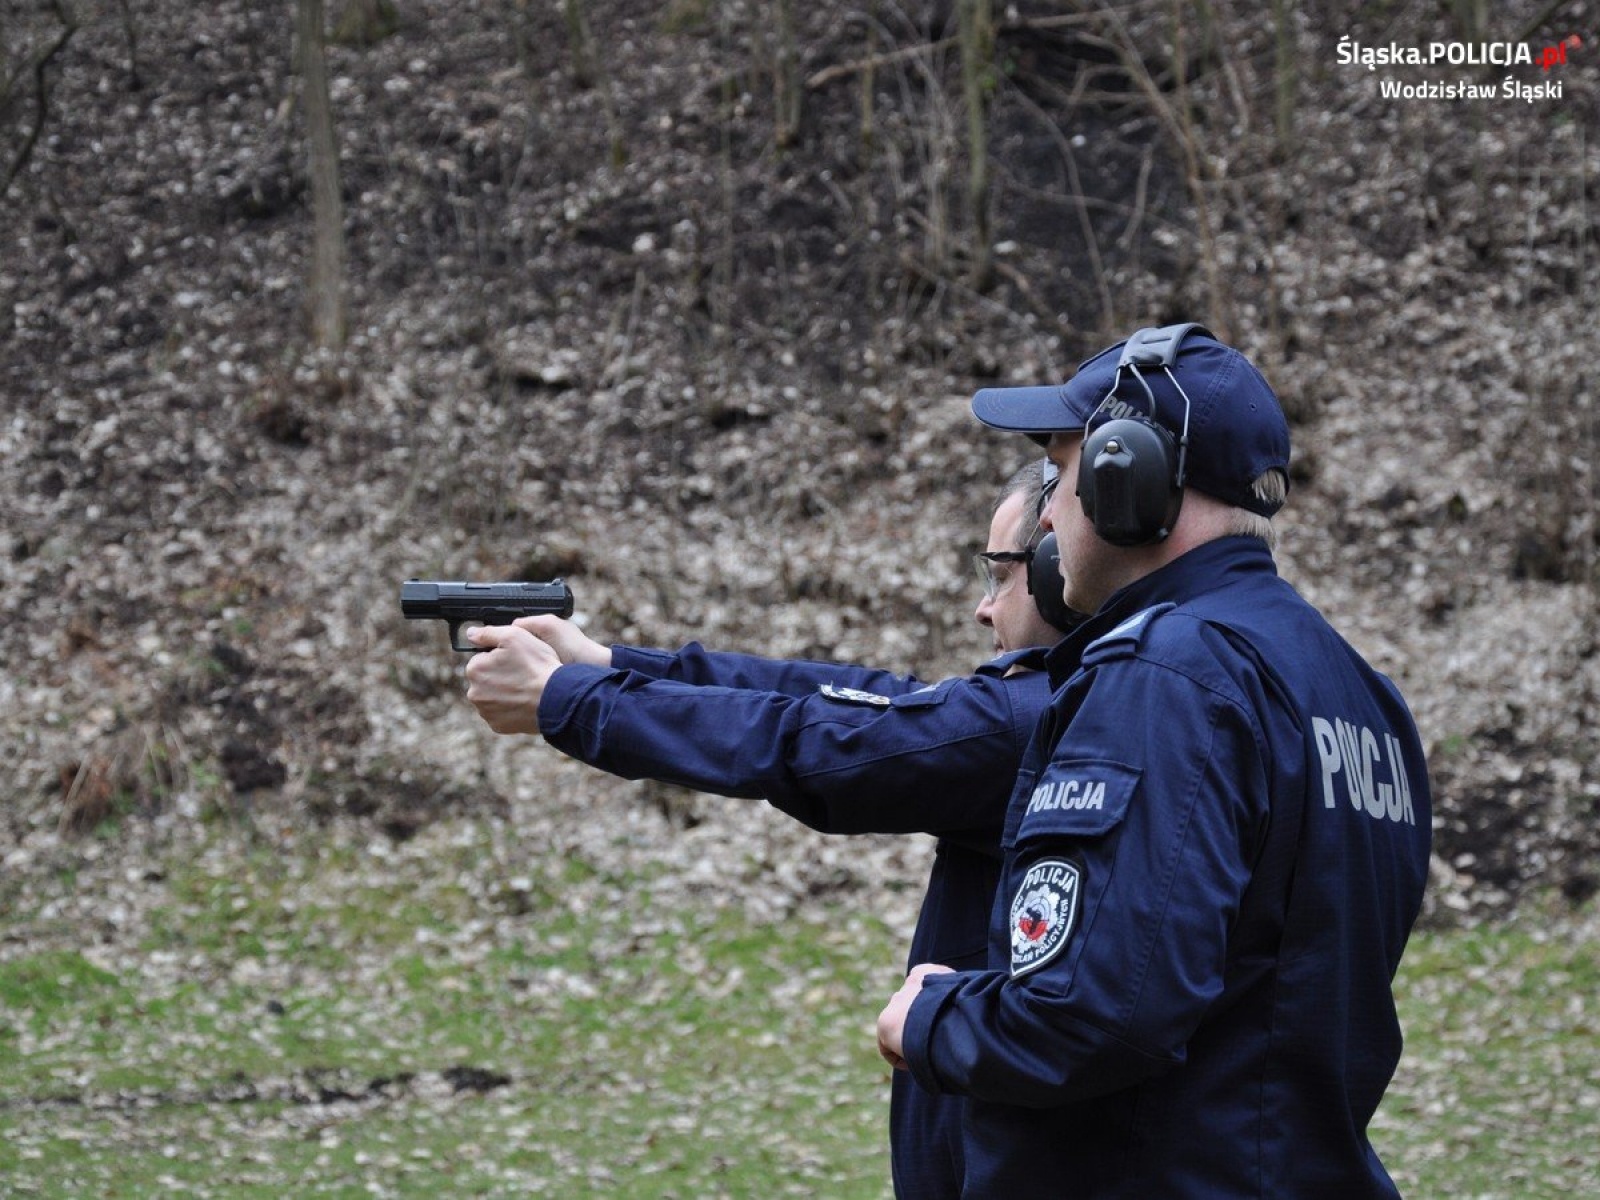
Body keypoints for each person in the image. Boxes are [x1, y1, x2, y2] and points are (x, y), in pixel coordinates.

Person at [875, 323, 1433, 1198]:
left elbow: (1096, 1011)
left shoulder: (1167, 676)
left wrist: (933, 1019)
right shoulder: (1363, 695)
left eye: (1060, 477)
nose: (1049, 513)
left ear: (1124, 477)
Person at [464, 462, 1079, 1199]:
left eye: (998, 575)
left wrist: (568, 699)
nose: (984, 609)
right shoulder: (1054, 701)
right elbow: (842, 701)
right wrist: (608, 665)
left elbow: (807, 743)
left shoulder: (1029, 721)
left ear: (1051, 565)